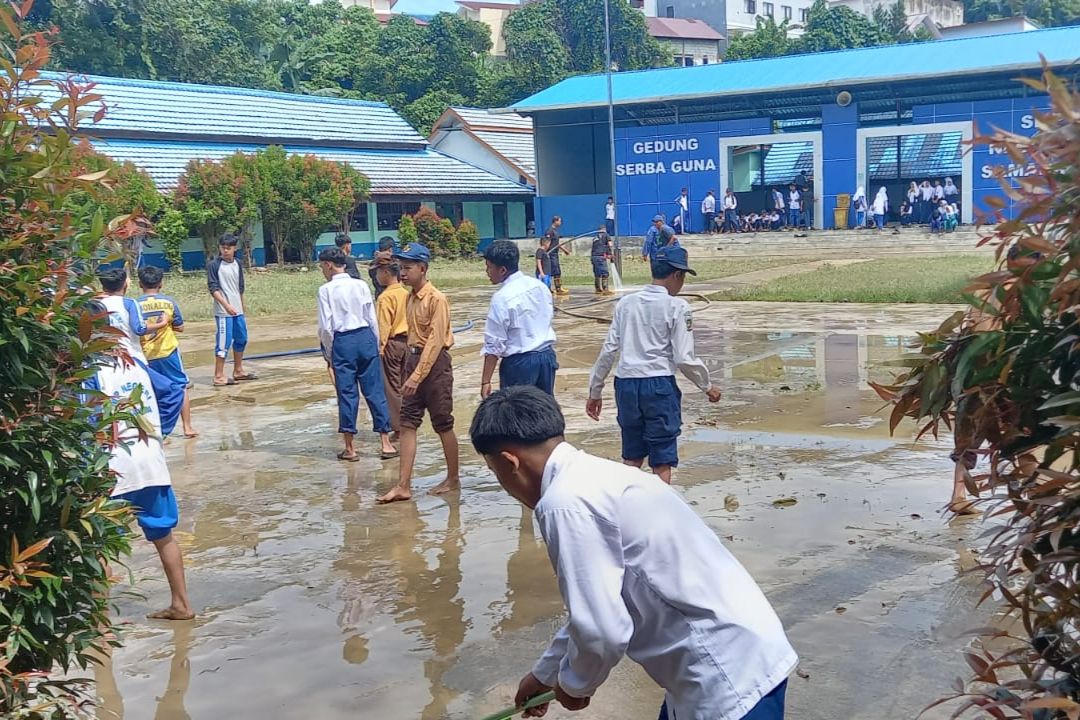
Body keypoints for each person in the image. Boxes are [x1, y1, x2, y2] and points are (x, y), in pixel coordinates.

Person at [468, 386, 798, 720]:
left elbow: (602, 629)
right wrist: (546, 673)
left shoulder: (565, 504)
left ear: (510, 462)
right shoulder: (598, 476)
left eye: (495, 473)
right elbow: (596, 606)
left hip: (723, 675)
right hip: (737, 652)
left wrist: (575, 684)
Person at [85, 303, 194, 621]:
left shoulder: (87, 373)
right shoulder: (135, 364)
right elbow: (174, 390)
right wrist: (156, 431)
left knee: (99, 541)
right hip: (150, 462)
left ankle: (100, 621)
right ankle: (182, 604)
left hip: (111, 467)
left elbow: (86, 424)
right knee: (163, 536)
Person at [586, 246, 721, 485]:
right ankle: (659, 513)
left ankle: (627, 508)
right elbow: (683, 357)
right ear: (677, 275)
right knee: (661, 458)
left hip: (626, 385)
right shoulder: (677, 307)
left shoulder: (626, 304)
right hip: (658, 386)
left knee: (632, 454)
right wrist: (706, 385)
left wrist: (595, 391)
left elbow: (608, 349)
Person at [377, 243, 459, 504]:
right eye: (401, 267)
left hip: (435, 366)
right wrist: (411, 370)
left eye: (408, 267)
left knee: (442, 422)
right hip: (413, 360)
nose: (403, 272)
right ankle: (403, 485)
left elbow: (435, 342)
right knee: (407, 422)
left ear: (423, 268)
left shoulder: (437, 299)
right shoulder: (409, 297)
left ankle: (453, 478)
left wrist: (416, 376)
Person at [316, 247, 397, 463]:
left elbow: (326, 327)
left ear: (328, 265)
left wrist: (330, 352)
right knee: (374, 391)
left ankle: (350, 448)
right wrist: (376, 342)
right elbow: (371, 316)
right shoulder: (360, 285)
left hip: (343, 341)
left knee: (347, 394)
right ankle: (386, 443)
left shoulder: (326, 290)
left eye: (322, 266)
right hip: (365, 337)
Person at [98, 267, 184, 438]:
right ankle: (160, 432)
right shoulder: (130, 303)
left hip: (106, 360)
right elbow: (139, 328)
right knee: (173, 391)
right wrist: (162, 324)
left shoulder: (97, 305)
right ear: (125, 285)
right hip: (133, 359)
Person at [480, 240, 558, 398]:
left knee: (518, 415)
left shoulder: (502, 298)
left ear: (502, 270)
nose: (486, 271)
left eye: (489, 267)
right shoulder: (539, 287)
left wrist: (485, 381)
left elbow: (494, 345)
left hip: (520, 364)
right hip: (546, 358)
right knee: (543, 411)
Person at [137, 266, 198, 439]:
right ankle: (187, 427)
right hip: (168, 352)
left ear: (140, 284)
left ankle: (156, 430)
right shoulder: (169, 302)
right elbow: (180, 327)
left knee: (153, 390)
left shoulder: (135, 305)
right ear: (161, 283)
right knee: (181, 386)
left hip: (146, 354)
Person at [207, 233, 256, 387]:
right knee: (224, 342)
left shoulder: (238, 263)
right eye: (223, 248)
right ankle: (218, 375)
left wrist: (241, 306)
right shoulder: (214, 265)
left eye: (228, 248)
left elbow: (240, 287)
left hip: (237, 310)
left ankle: (238, 370)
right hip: (223, 312)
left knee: (242, 338)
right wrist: (226, 305)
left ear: (235, 248)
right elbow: (213, 288)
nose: (225, 251)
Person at [376, 261, 410, 438]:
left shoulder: (385, 298)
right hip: (408, 343)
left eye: (378, 272)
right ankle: (410, 423)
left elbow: (384, 326)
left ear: (386, 272)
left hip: (392, 344)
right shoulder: (406, 293)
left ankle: (398, 428)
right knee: (405, 385)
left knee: (391, 387)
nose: (376, 276)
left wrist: (380, 349)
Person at [544, 216, 570, 297]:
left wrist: (564, 250)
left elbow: (557, 243)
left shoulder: (556, 232)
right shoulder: (549, 231)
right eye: (559, 221)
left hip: (555, 254)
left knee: (557, 271)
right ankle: (552, 288)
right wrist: (545, 252)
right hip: (550, 254)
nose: (560, 223)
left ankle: (558, 288)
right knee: (552, 271)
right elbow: (547, 242)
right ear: (555, 221)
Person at [590, 225, 614, 295]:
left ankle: (597, 289)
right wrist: (610, 253)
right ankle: (605, 289)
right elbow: (610, 244)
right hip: (601, 257)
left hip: (593, 257)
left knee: (597, 273)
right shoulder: (606, 235)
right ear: (604, 229)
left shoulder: (595, 237)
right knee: (605, 273)